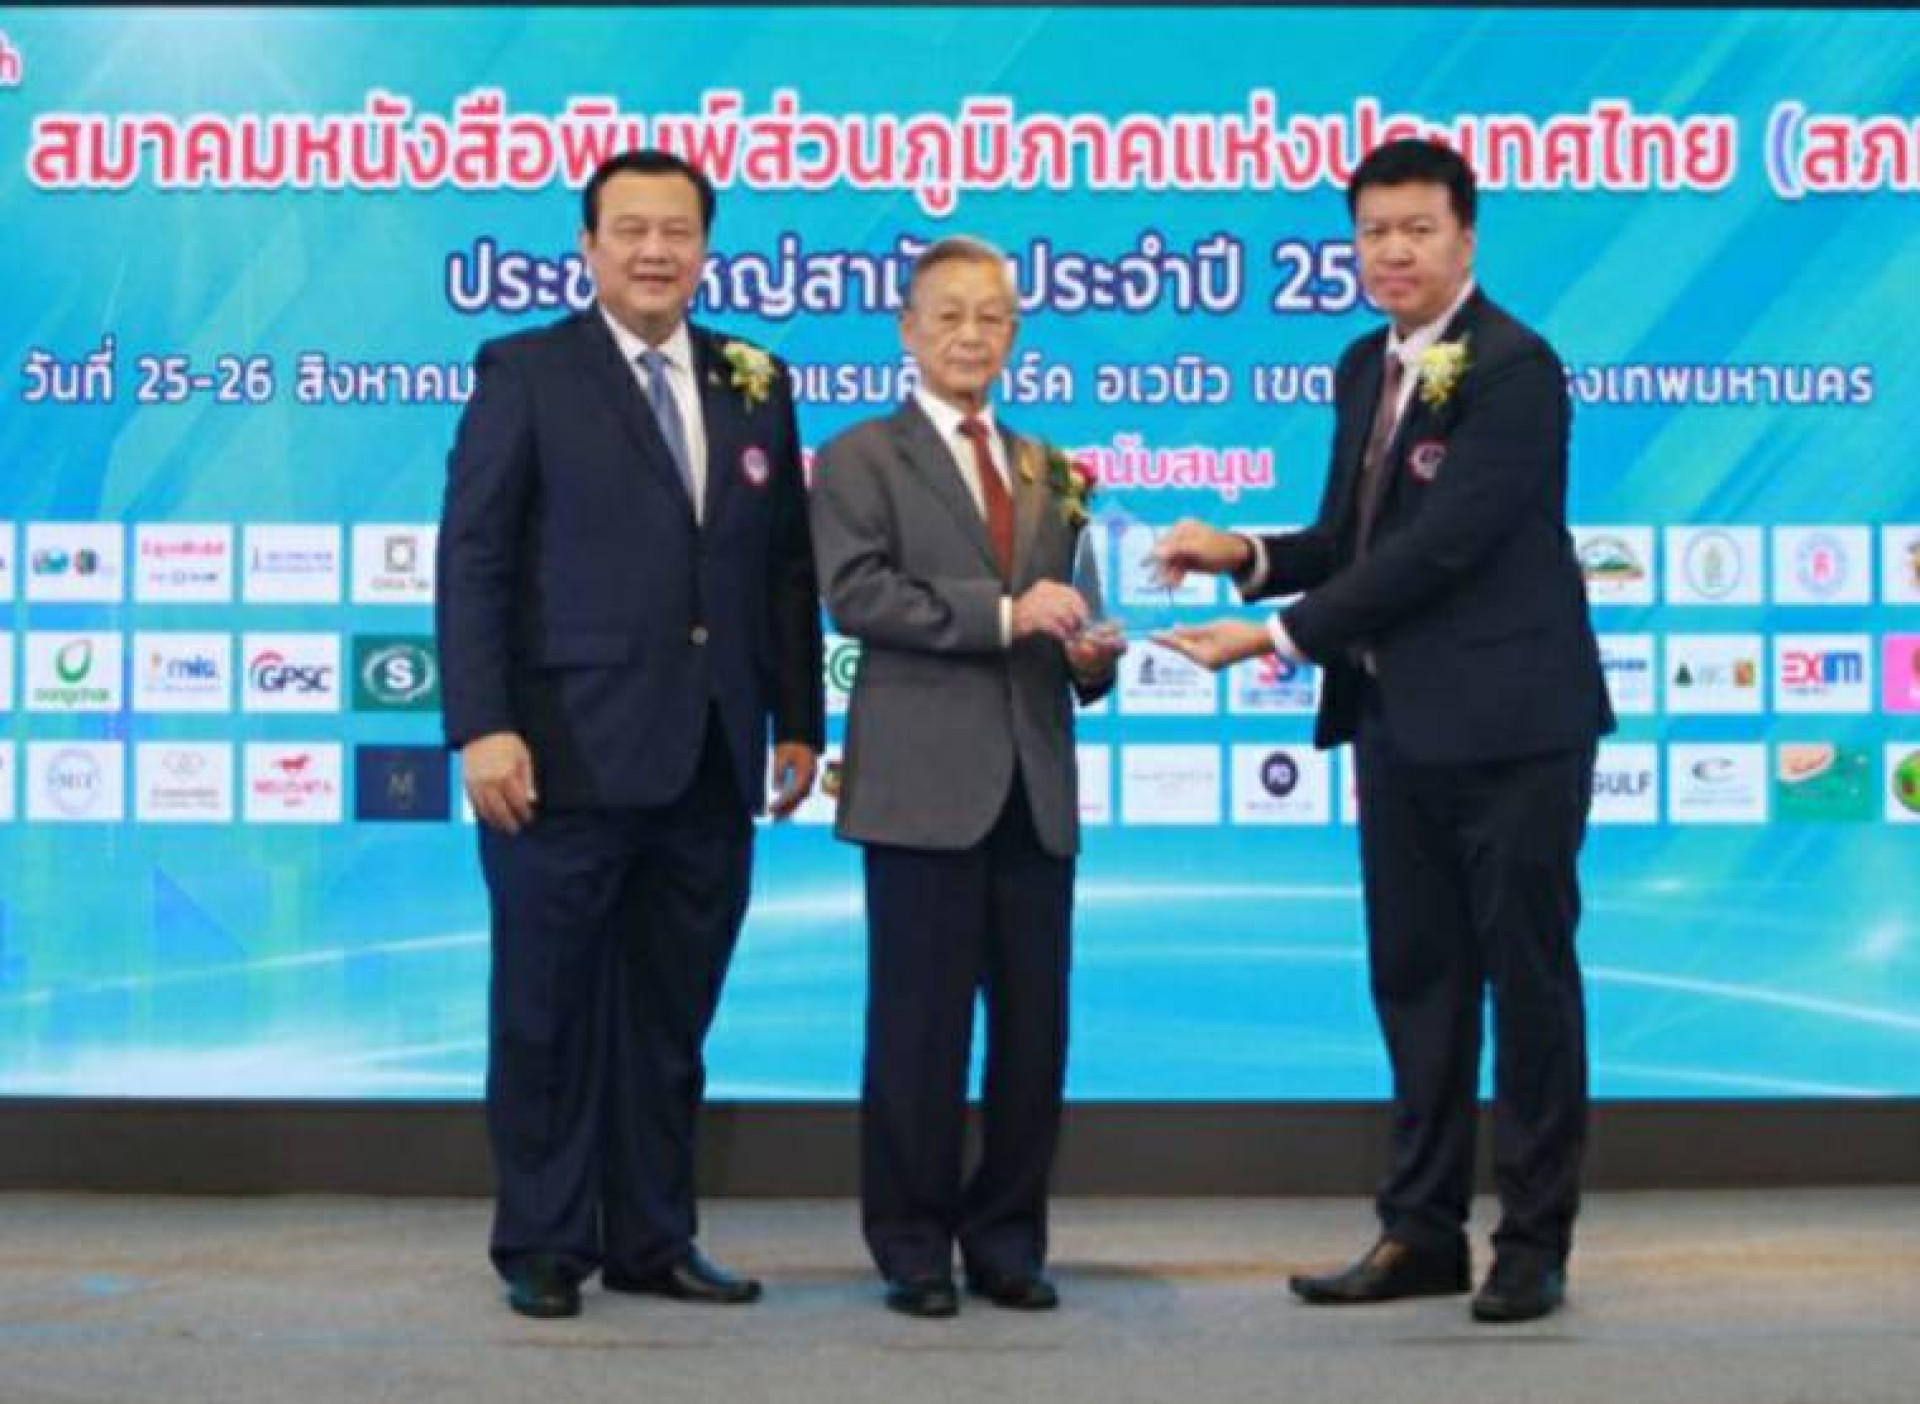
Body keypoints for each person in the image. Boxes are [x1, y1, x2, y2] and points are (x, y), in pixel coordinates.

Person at [1153, 138, 1614, 1324]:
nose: (1392, 252)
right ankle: (1420, 1232)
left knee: (1529, 985)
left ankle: (1533, 1242)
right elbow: (1351, 540)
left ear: (1466, 237)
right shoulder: (1366, 364)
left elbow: (1444, 548)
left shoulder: (1517, 367)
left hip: (1514, 730)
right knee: (1417, 982)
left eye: (1417, 229)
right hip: (1397, 724)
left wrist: (1273, 637)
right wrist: (1243, 554)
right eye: (1373, 233)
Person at [435, 149, 824, 1319]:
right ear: (589, 247)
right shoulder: (527, 371)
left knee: (670, 1019)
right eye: (631, 230)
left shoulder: (756, 379)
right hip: (561, 753)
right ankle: (545, 1243)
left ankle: (656, 1235)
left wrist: (799, 720)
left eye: (678, 231)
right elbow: (475, 559)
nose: (656, 251)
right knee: (548, 1014)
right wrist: (483, 726)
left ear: (705, 248)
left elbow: (785, 566)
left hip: (710, 754)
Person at [809, 237, 1123, 1319]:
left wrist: (1091, 656)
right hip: (920, 791)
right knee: (918, 1032)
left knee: (1034, 1037)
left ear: (1016, 334)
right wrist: (1004, 614)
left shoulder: (1051, 467)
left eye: (991, 316)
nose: (970, 335)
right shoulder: (859, 456)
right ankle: (910, 1245)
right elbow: (856, 595)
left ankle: (1008, 1242)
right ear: (907, 329)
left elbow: (1068, 616)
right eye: (948, 314)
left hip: (1035, 790)